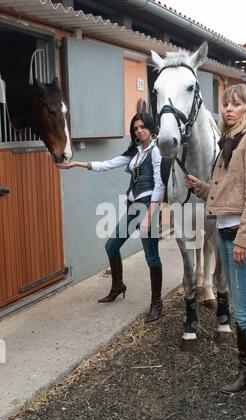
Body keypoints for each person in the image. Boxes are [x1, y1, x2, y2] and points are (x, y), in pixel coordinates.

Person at [185, 84, 246, 415]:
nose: (228, 109)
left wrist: (244, 238)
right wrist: (201, 188)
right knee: (241, 311)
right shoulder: (230, 143)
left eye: (236, 104)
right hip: (228, 234)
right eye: (226, 103)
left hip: (243, 238)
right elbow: (227, 195)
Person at [57, 113, 165, 323]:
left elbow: (159, 185)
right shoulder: (135, 152)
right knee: (111, 246)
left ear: (151, 127)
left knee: (151, 256)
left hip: (147, 206)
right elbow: (107, 164)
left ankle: (156, 303)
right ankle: (118, 285)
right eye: (135, 128)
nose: (139, 131)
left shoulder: (155, 151)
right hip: (134, 207)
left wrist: (149, 216)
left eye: (142, 126)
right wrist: (77, 164)